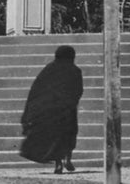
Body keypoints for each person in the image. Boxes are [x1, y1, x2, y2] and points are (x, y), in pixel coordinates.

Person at [20, 45, 83, 174]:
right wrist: (71, 102)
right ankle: (68, 158)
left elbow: (36, 89)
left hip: (51, 110)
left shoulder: (49, 69)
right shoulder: (75, 70)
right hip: (68, 109)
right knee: (69, 134)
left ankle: (58, 163)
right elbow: (78, 90)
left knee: (56, 137)